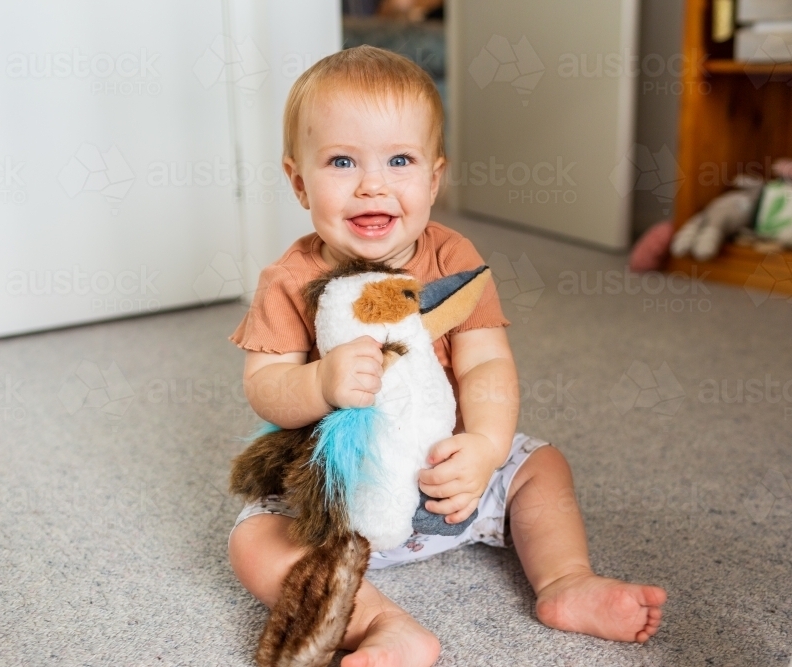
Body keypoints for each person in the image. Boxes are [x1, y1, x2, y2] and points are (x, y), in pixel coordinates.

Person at [227, 45, 666, 667]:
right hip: (341, 501)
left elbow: (485, 362)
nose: (372, 183)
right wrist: (320, 384)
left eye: (399, 160)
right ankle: (383, 623)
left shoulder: (451, 257)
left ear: (434, 179)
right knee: (253, 540)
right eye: (342, 161)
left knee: (542, 466)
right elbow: (266, 385)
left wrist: (485, 447)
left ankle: (566, 581)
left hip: (448, 483)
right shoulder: (289, 277)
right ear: (299, 181)